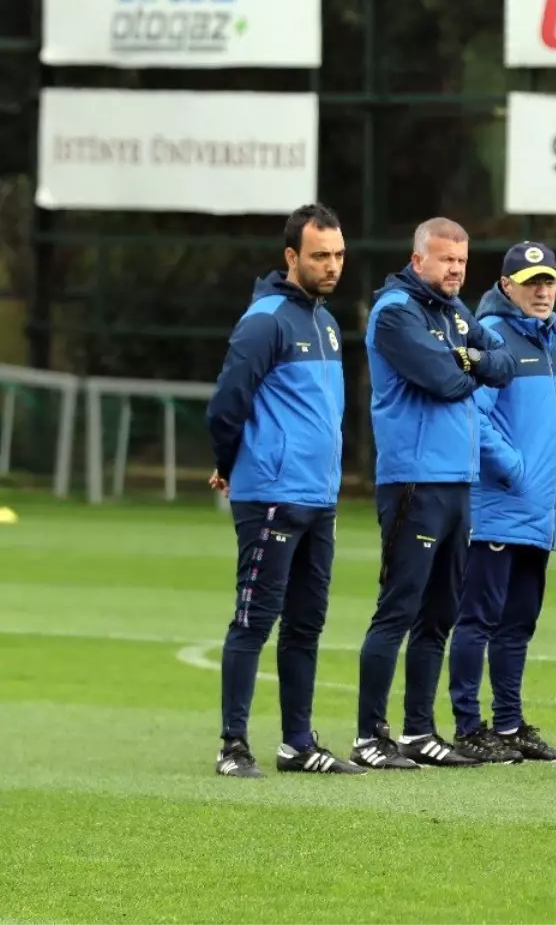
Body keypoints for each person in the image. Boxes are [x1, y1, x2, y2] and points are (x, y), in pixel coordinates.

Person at [351, 217, 517, 770]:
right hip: (414, 482)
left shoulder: (455, 312)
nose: (456, 270)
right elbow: (445, 382)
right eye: (447, 260)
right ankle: (370, 737)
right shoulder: (395, 312)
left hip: (458, 481)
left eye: (462, 261)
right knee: (398, 609)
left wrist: (468, 360)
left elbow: (505, 363)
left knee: (439, 615)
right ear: (418, 258)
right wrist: (470, 366)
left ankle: (419, 731)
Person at [206, 202, 362, 778]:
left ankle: (298, 743)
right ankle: (233, 746)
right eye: (320, 256)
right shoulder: (265, 320)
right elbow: (226, 404)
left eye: (339, 255)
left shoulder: (325, 322)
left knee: (306, 624)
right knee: (253, 620)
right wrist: (229, 463)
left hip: (318, 499)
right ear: (292, 256)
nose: (332, 266)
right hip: (271, 494)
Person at [446, 241, 556, 764]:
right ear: (507, 286)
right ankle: (468, 727)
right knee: (478, 619)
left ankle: (508, 723)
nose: (542, 292)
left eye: (549, 282)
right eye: (531, 283)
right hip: (500, 506)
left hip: (539, 508)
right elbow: (473, 416)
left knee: (519, 621)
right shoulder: (491, 338)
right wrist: (513, 467)